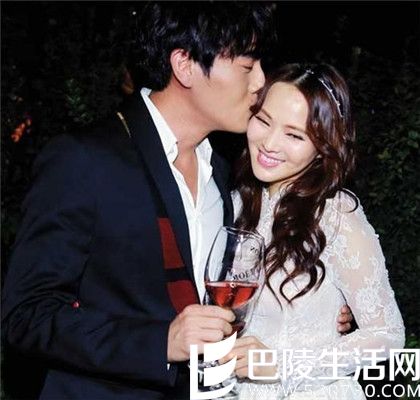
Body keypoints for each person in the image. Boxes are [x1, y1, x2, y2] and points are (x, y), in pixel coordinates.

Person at [1, 3, 352, 399]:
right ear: (185, 65)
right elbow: (26, 315)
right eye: (247, 65)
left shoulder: (225, 172)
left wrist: (315, 310)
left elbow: (229, 291)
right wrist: (160, 343)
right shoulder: (86, 160)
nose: (260, 81)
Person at [225, 63, 406, 399]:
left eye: (294, 135)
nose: (269, 143)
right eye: (263, 120)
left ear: (322, 146)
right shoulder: (233, 204)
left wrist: (282, 365)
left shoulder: (336, 216)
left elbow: (387, 335)